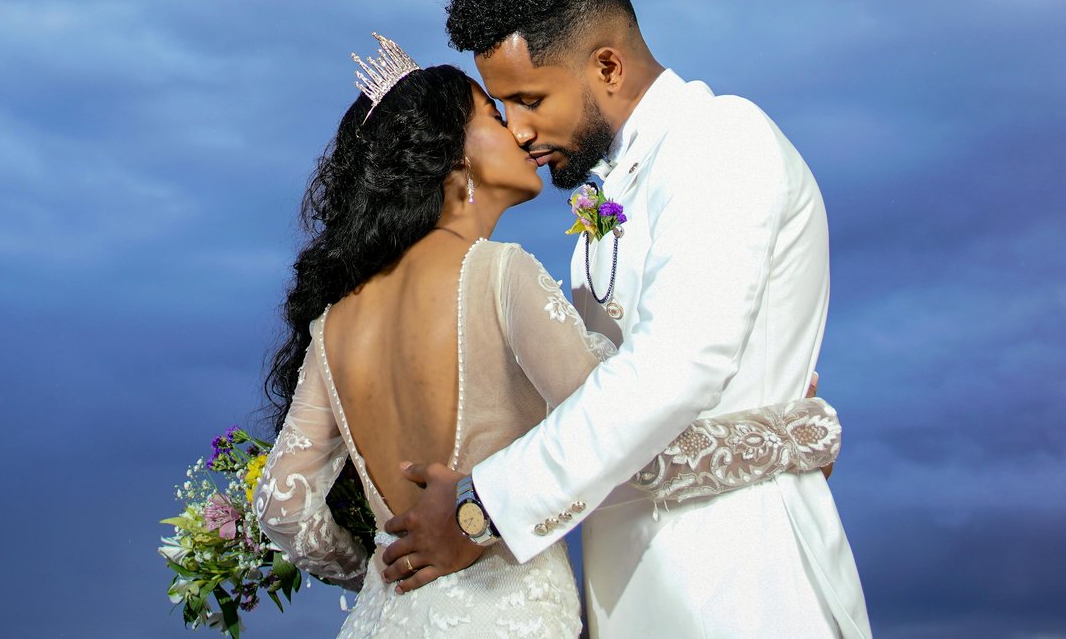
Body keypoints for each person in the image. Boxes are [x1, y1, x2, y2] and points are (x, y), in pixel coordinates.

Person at [255, 37, 839, 638]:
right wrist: (796, 435)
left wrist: (380, 568)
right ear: (453, 159)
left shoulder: (334, 324)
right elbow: (632, 450)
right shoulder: (500, 276)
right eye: (493, 114)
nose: (518, 132)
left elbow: (281, 504)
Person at [375, 0, 872, 638]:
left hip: (740, 587)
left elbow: (673, 370)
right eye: (505, 104)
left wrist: (480, 507)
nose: (517, 129)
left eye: (530, 98)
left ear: (607, 64)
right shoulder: (611, 191)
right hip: (632, 595)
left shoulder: (720, 140)